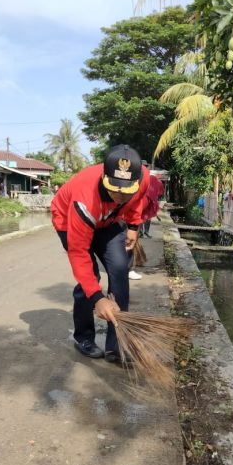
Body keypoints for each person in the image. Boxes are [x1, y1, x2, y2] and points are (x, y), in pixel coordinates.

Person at [51, 144, 150, 362]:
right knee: (91, 278)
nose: (120, 196)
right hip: (70, 221)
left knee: (119, 270)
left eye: (126, 191)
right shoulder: (84, 199)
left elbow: (138, 200)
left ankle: (117, 345)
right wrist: (98, 298)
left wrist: (133, 226)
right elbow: (79, 254)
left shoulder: (143, 179)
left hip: (109, 221)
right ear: (105, 177)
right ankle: (84, 338)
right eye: (114, 189)